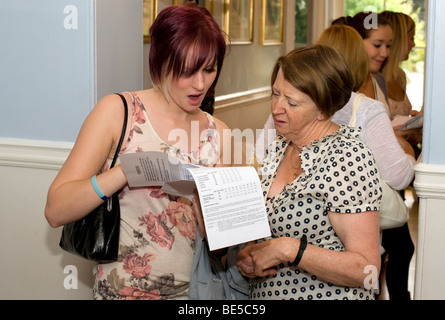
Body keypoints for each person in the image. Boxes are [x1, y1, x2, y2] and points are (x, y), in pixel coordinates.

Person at [45, 2, 231, 300]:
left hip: (195, 294)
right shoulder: (117, 113)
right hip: (122, 292)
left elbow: (221, 249)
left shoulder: (218, 133)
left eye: (209, 70)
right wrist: (123, 172)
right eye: (187, 71)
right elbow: (56, 210)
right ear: (160, 60)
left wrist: (207, 208)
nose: (201, 84)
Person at [236, 45, 382, 300]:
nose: (276, 108)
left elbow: (366, 270)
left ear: (323, 110)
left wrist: (291, 250)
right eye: (275, 94)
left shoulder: (347, 157)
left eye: (291, 102)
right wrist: (251, 254)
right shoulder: (280, 146)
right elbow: (273, 226)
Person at [379, 10, 419, 300]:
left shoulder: (399, 76)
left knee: (396, 248)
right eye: (411, 37)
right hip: (384, 176)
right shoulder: (373, 80)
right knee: (396, 247)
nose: (414, 44)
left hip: (398, 174)